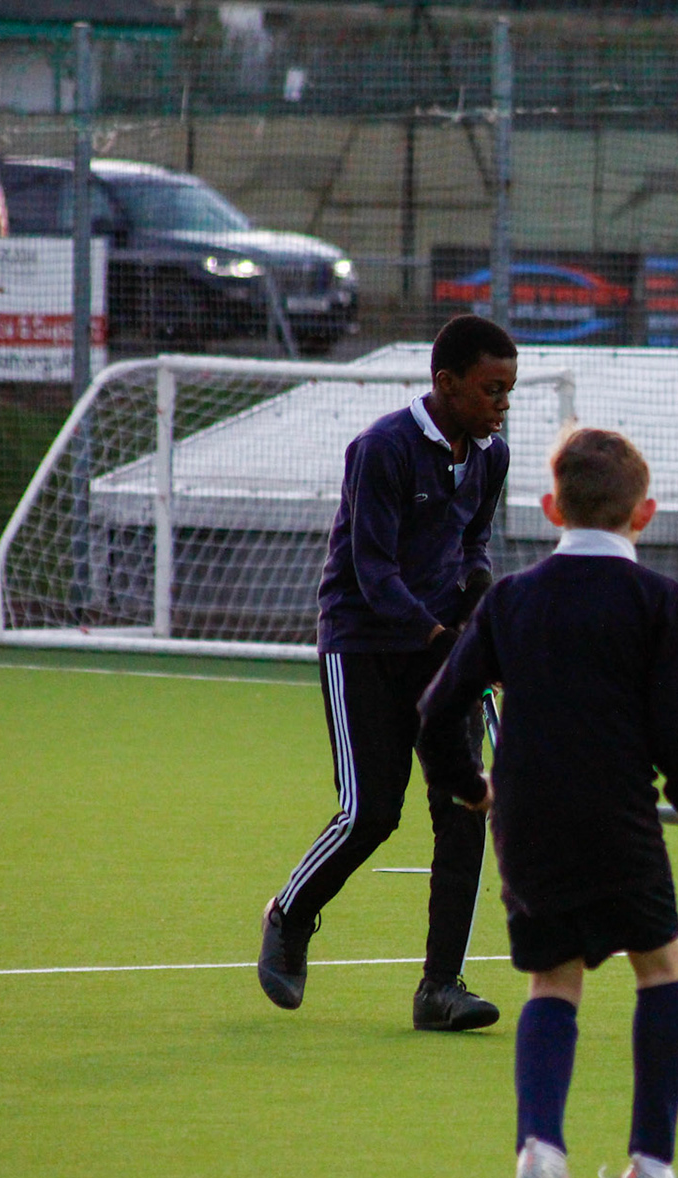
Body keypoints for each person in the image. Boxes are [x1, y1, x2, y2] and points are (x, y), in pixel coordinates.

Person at [416, 427, 678, 1178]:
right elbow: (673, 737)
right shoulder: (662, 603)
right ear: (645, 514)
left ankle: (541, 1155)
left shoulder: (510, 599)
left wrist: (472, 787)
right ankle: (653, 1170)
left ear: (551, 508)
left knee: (552, 981)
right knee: (662, 968)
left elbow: (436, 713)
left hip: (525, 819)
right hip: (617, 818)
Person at [257, 314, 514, 1031]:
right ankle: (290, 914)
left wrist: (477, 604)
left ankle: (441, 988)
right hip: (364, 644)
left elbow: (473, 542)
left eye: (509, 391)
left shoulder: (490, 454)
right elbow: (372, 572)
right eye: (491, 389)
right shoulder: (382, 449)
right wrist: (441, 639)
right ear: (446, 383)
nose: (502, 404)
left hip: (439, 650)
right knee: (371, 812)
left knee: (464, 809)